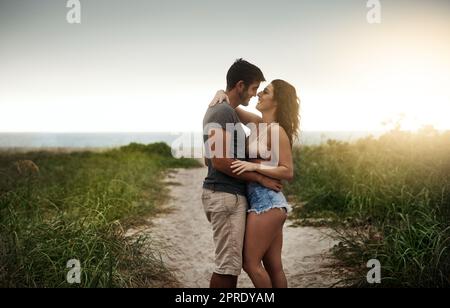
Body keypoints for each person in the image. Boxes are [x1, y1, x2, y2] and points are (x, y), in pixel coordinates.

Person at [209, 79, 300, 288]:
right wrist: (219, 91)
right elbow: (231, 105)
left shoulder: (276, 131)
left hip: (267, 202)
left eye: (265, 92)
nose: (258, 94)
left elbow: (288, 171)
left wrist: (254, 168)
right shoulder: (259, 124)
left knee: (250, 264)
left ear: (277, 101)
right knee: (274, 266)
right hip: (263, 203)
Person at [202, 59, 283, 288]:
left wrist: (222, 93)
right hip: (225, 194)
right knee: (228, 268)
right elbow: (219, 161)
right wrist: (259, 177)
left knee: (239, 266)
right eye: (254, 88)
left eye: (260, 90)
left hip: (241, 197)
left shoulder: (234, 114)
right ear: (240, 85)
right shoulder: (223, 112)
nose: (256, 94)